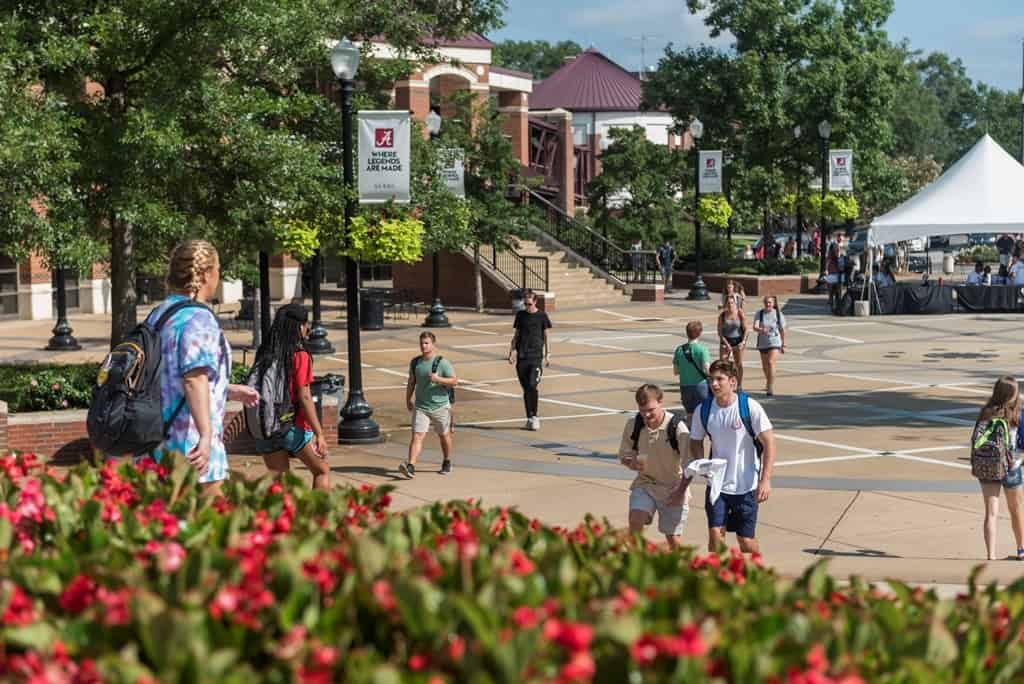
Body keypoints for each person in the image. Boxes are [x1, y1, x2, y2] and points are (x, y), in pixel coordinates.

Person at [146, 240, 258, 496]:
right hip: (191, 445)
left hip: (155, 443)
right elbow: (193, 379)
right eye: (217, 269)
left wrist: (227, 389)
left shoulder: (160, 314)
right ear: (206, 274)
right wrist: (206, 437)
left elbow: (169, 376)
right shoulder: (200, 318)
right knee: (217, 527)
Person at [671, 359, 776, 554]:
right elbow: (696, 439)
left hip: (746, 485)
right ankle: (718, 579)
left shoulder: (749, 407)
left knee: (745, 542)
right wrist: (702, 463)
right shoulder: (704, 409)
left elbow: (769, 442)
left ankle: (757, 571)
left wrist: (765, 480)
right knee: (715, 537)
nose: (714, 384)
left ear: (733, 382)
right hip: (717, 486)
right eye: (711, 379)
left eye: (720, 379)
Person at [253, 304, 330, 490]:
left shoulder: (265, 352)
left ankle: (279, 518)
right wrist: (319, 433)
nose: (308, 329)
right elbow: (304, 397)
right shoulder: (300, 355)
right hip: (292, 426)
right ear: (299, 327)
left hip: (265, 426)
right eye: (306, 325)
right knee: (322, 471)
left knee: (280, 483)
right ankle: (318, 518)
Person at [618, 384, 691, 548]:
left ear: (661, 402)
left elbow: (690, 465)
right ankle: (635, 564)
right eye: (642, 410)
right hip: (646, 484)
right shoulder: (634, 424)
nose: (646, 414)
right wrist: (631, 462)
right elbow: (624, 455)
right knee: (635, 521)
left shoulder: (677, 428)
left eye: (651, 409)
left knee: (673, 540)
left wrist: (680, 492)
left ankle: (683, 570)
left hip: (673, 488)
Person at [972, 376, 1024, 561]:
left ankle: (991, 556)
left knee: (991, 513)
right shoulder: (1018, 414)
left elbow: (976, 439)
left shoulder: (986, 413)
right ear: (1012, 394)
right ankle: (1021, 550)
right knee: (1016, 510)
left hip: (988, 466)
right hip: (1012, 466)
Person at [400, 331, 458, 478]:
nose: (423, 346)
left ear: (433, 345)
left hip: (440, 406)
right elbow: (411, 382)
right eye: (421, 343)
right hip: (421, 406)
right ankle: (411, 466)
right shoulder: (416, 363)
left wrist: (438, 379)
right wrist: (408, 399)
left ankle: (447, 461)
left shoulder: (442, 362)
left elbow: (454, 381)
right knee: (417, 436)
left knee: (444, 436)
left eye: (426, 343)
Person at [508, 290, 552, 430]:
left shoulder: (542, 316)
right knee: (526, 388)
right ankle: (530, 417)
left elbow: (546, 336)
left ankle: (535, 416)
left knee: (533, 385)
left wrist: (548, 353)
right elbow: (516, 334)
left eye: (529, 304)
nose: (527, 306)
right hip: (522, 357)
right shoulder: (520, 315)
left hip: (536, 357)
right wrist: (512, 351)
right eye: (525, 304)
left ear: (535, 302)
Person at [673, 321, 711, 425]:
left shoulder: (679, 350)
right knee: (703, 413)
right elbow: (706, 369)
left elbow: (676, 371)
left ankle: (690, 436)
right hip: (700, 385)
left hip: (685, 386)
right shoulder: (702, 350)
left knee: (690, 414)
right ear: (700, 333)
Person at [752, 296, 786, 397]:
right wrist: (761, 330)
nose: (768, 304)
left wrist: (783, 343)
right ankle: (768, 380)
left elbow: (783, 330)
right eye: (766, 302)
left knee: (771, 363)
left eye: (770, 303)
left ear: (774, 303)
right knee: (765, 365)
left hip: (775, 342)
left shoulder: (778, 314)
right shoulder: (760, 313)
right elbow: (755, 327)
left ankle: (770, 387)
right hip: (763, 342)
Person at [717, 297, 747, 388]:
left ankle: (739, 384)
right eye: (728, 303)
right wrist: (726, 344)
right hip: (726, 340)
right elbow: (720, 332)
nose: (730, 305)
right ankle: (725, 382)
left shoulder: (740, 313)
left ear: (735, 304)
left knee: (738, 363)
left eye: (732, 303)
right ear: (726, 304)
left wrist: (743, 341)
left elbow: (746, 329)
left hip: (738, 340)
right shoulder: (722, 315)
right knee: (723, 362)